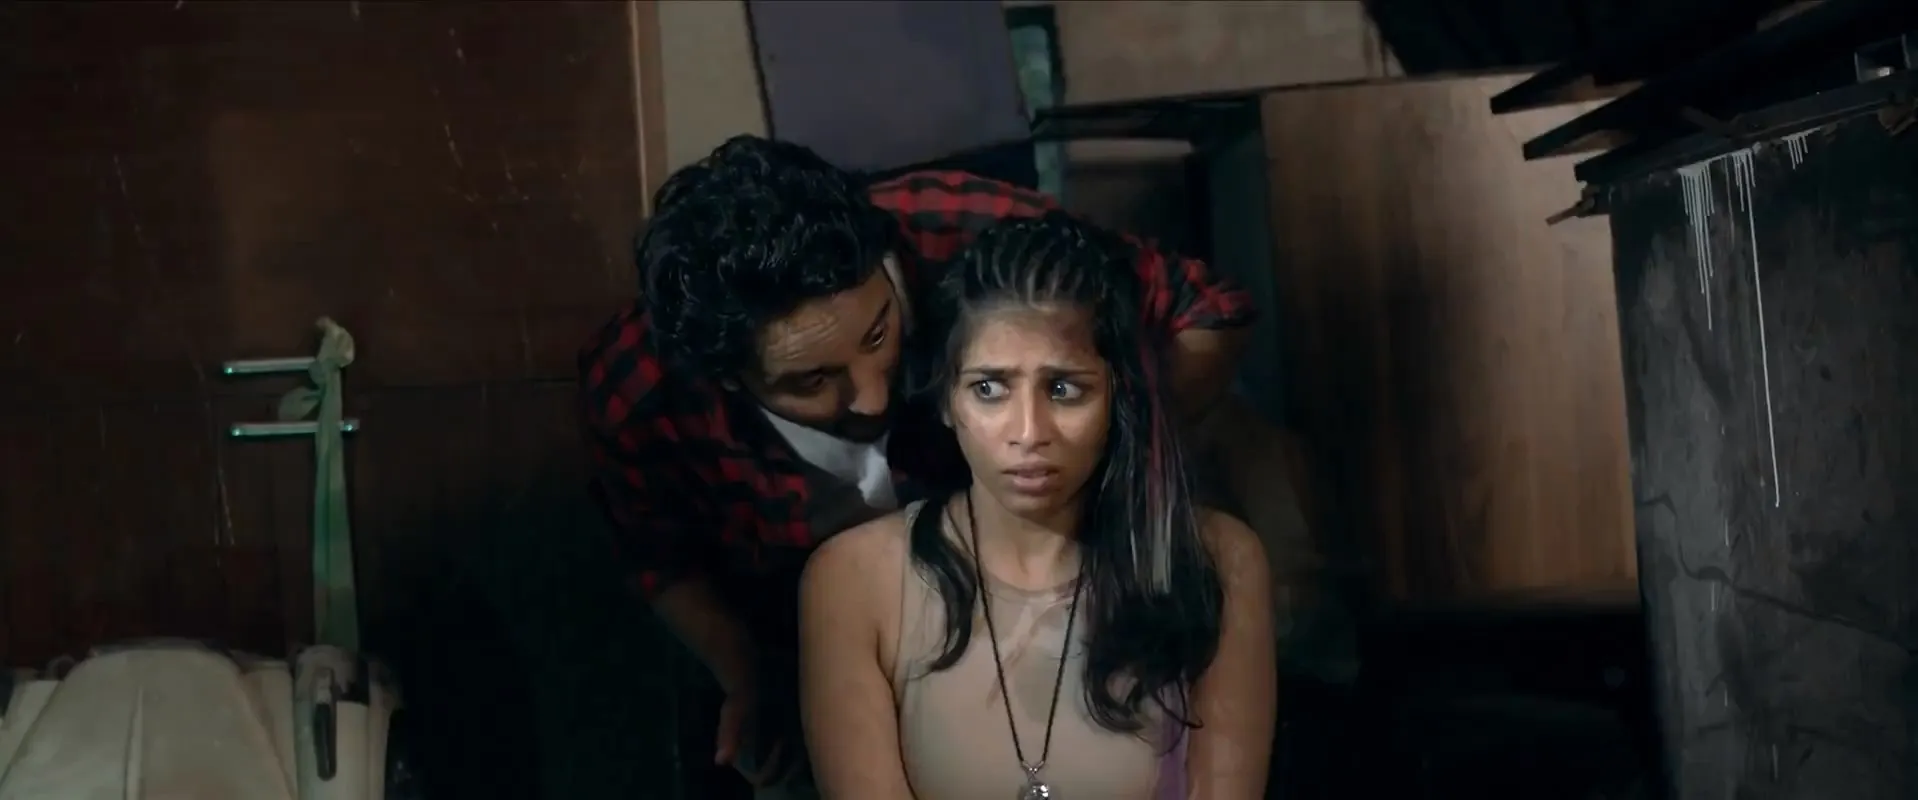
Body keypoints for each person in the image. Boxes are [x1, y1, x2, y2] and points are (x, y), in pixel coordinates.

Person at [578, 135, 1256, 798]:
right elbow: (660, 558)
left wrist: (1114, 463)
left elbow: (1208, 312)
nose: (873, 396)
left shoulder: (964, 231)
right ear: (727, 379)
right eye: (814, 380)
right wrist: (746, 673)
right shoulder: (642, 393)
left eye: (878, 333)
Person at [797, 214, 1277, 799]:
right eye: (989, 389)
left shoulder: (1214, 558)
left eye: (1063, 389)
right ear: (946, 399)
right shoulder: (854, 580)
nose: (1028, 432)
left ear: (1117, 397)